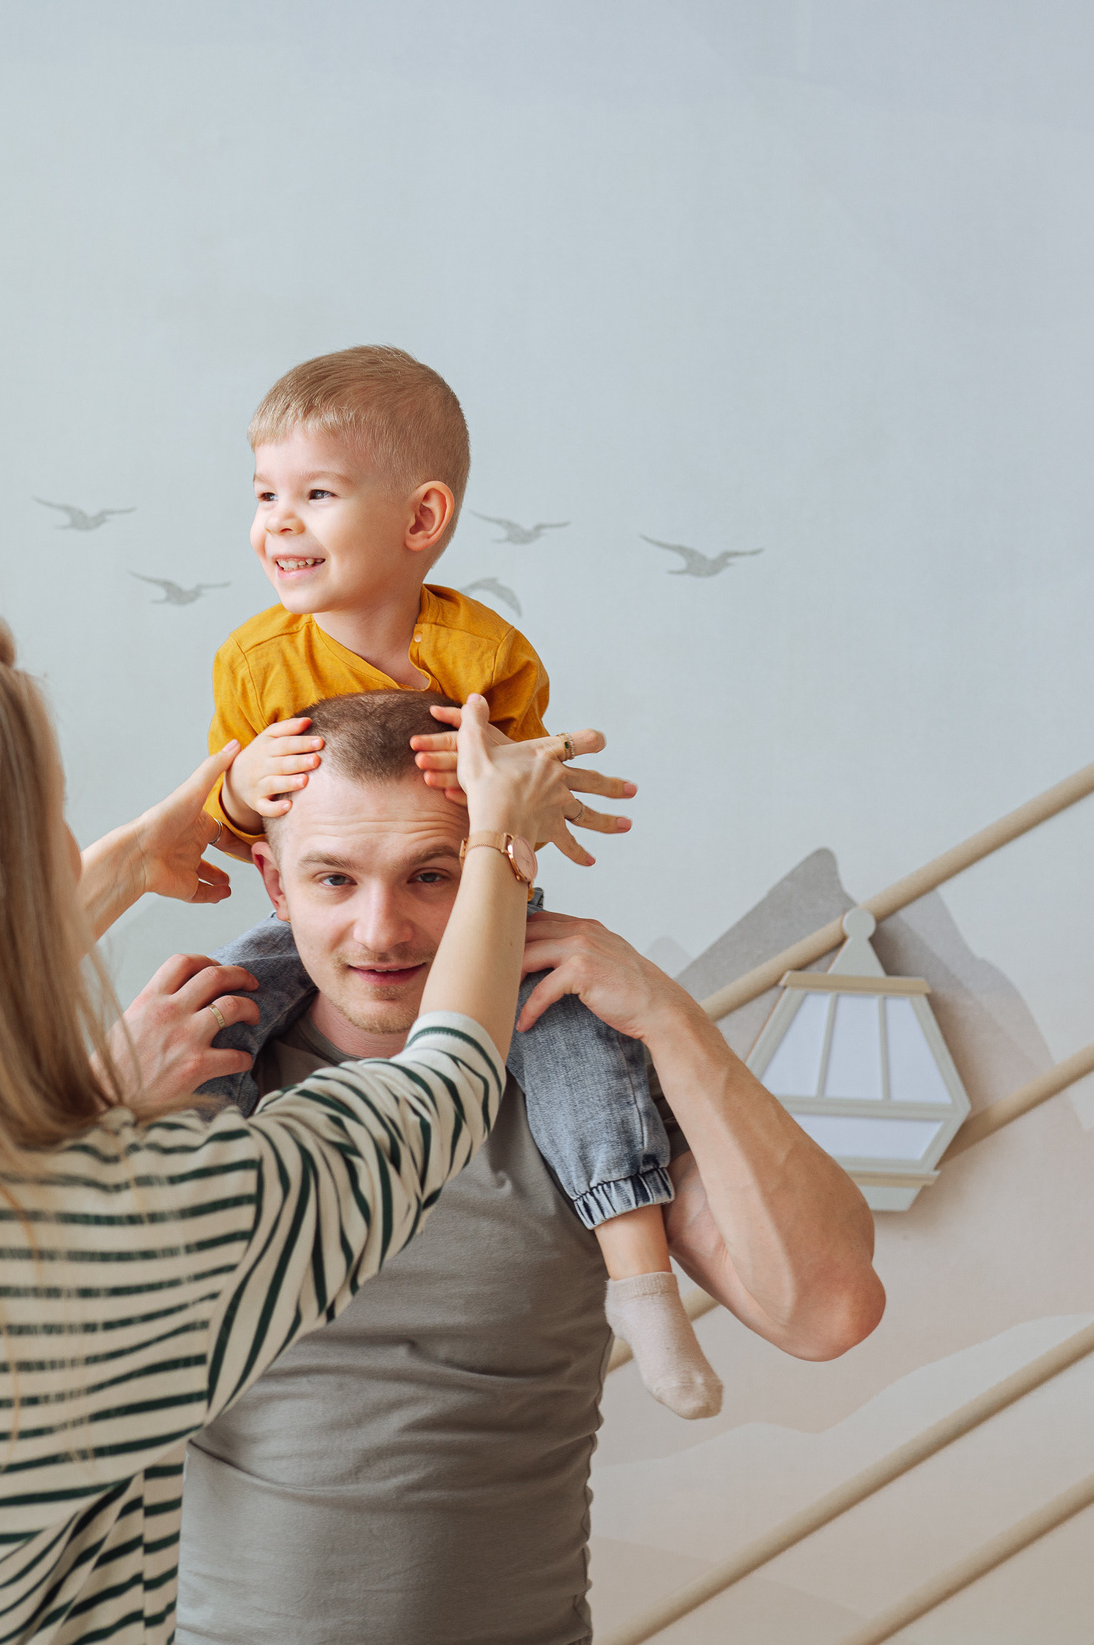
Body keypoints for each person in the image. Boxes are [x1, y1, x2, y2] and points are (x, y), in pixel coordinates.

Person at [0, 607, 604, 1645]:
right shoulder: (119, 1222)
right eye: (57, 810)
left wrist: (135, 857)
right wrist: (498, 839)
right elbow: (438, 1088)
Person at [177, 690, 886, 1645]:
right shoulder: (199, 1074)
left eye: (431, 877)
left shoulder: (587, 1093)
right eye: (334, 880)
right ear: (273, 884)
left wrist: (671, 1020)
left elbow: (826, 1312)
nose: (381, 931)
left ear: (505, 865)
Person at [194, 343, 725, 1417]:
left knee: (575, 1038)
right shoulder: (255, 663)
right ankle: (197, 1218)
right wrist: (241, 782)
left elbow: (521, 800)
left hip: (481, 896)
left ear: (421, 518)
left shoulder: (484, 657)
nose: (277, 523)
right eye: (263, 496)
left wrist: (515, 786)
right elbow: (226, 807)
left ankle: (641, 1276)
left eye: (314, 495)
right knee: (215, 1008)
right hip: (308, 905)